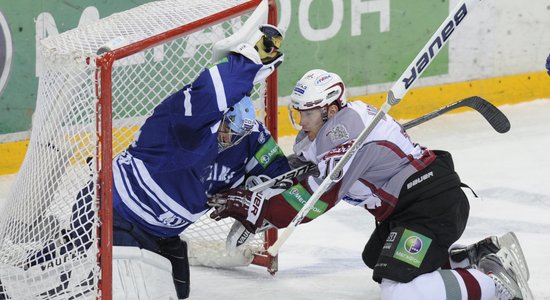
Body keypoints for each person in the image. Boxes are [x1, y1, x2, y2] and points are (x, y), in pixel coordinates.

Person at [14, 25, 288, 300]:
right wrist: (250, 59)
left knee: (178, 292)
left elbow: (286, 180)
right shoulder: (184, 119)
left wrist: (319, 159)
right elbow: (215, 88)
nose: (230, 139)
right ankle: (31, 273)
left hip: (158, 234)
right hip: (112, 211)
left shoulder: (250, 139)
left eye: (239, 134)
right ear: (221, 116)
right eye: (229, 129)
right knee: (86, 287)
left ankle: (68, 254)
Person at [208, 69, 533, 299]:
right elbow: (304, 169)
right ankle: (477, 255)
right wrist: (260, 198)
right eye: (299, 112)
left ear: (331, 109)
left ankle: (493, 284)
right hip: (410, 207)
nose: (301, 121)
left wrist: (264, 209)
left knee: (400, 292)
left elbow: (315, 198)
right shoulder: (338, 128)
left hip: (431, 206)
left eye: (307, 113)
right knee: (376, 257)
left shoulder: (348, 137)